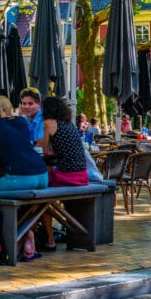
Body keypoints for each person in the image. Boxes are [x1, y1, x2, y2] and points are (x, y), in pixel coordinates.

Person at [0, 96, 48, 261]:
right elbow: (25, 145)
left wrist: (1, 154)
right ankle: (26, 236)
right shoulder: (22, 121)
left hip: (20, 176)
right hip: (42, 175)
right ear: (11, 107)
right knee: (22, 204)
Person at [39, 97, 88, 251]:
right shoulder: (69, 124)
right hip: (82, 175)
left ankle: (49, 239)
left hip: (66, 176)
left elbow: (45, 151)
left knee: (39, 191)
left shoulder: (48, 123)